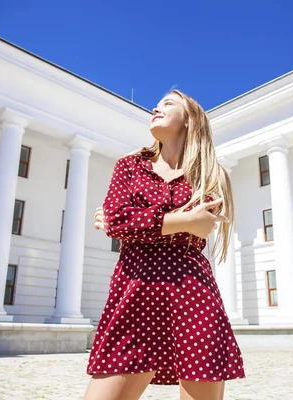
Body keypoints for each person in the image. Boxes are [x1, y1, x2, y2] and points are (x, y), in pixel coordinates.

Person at [83, 90, 245, 400]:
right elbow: (117, 221)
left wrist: (136, 221)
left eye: (168, 104)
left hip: (192, 294)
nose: (156, 108)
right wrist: (183, 221)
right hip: (134, 291)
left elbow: (202, 223)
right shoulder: (129, 166)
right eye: (156, 105)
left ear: (190, 119)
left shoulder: (211, 174)